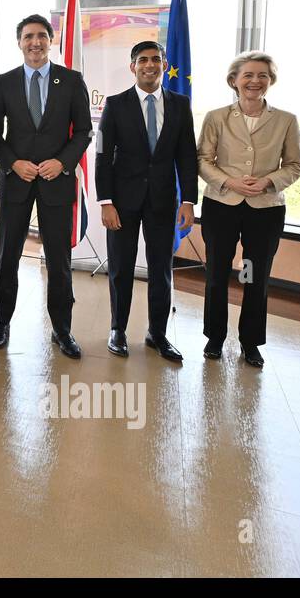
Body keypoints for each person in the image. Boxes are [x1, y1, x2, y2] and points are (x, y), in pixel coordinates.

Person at [0, 14, 92, 357]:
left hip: (56, 182)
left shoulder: (71, 80)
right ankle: (2, 322)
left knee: (59, 261)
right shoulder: (3, 83)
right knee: (7, 258)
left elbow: (83, 132)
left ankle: (62, 329)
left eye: (41, 36)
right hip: (16, 181)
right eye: (28, 36)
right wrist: (12, 162)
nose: (35, 42)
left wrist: (62, 162)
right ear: (19, 42)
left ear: (51, 41)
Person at [197, 51, 300, 368]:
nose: (255, 81)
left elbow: (296, 165)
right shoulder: (216, 117)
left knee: (253, 276)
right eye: (248, 75)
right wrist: (230, 182)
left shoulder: (286, 120)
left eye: (262, 76)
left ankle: (250, 341)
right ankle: (215, 338)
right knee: (217, 274)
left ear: (270, 81)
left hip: (265, 210)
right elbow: (203, 160)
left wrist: (269, 182)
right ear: (234, 80)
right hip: (222, 206)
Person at [95, 40, 198, 362]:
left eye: (156, 59)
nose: (150, 65)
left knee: (161, 270)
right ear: (133, 67)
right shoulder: (116, 104)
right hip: (122, 203)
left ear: (164, 65)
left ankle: (158, 333)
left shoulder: (180, 105)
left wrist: (189, 201)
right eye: (143, 60)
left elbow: (186, 157)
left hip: (164, 201)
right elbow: (102, 157)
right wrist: (106, 201)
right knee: (121, 269)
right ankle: (118, 330)